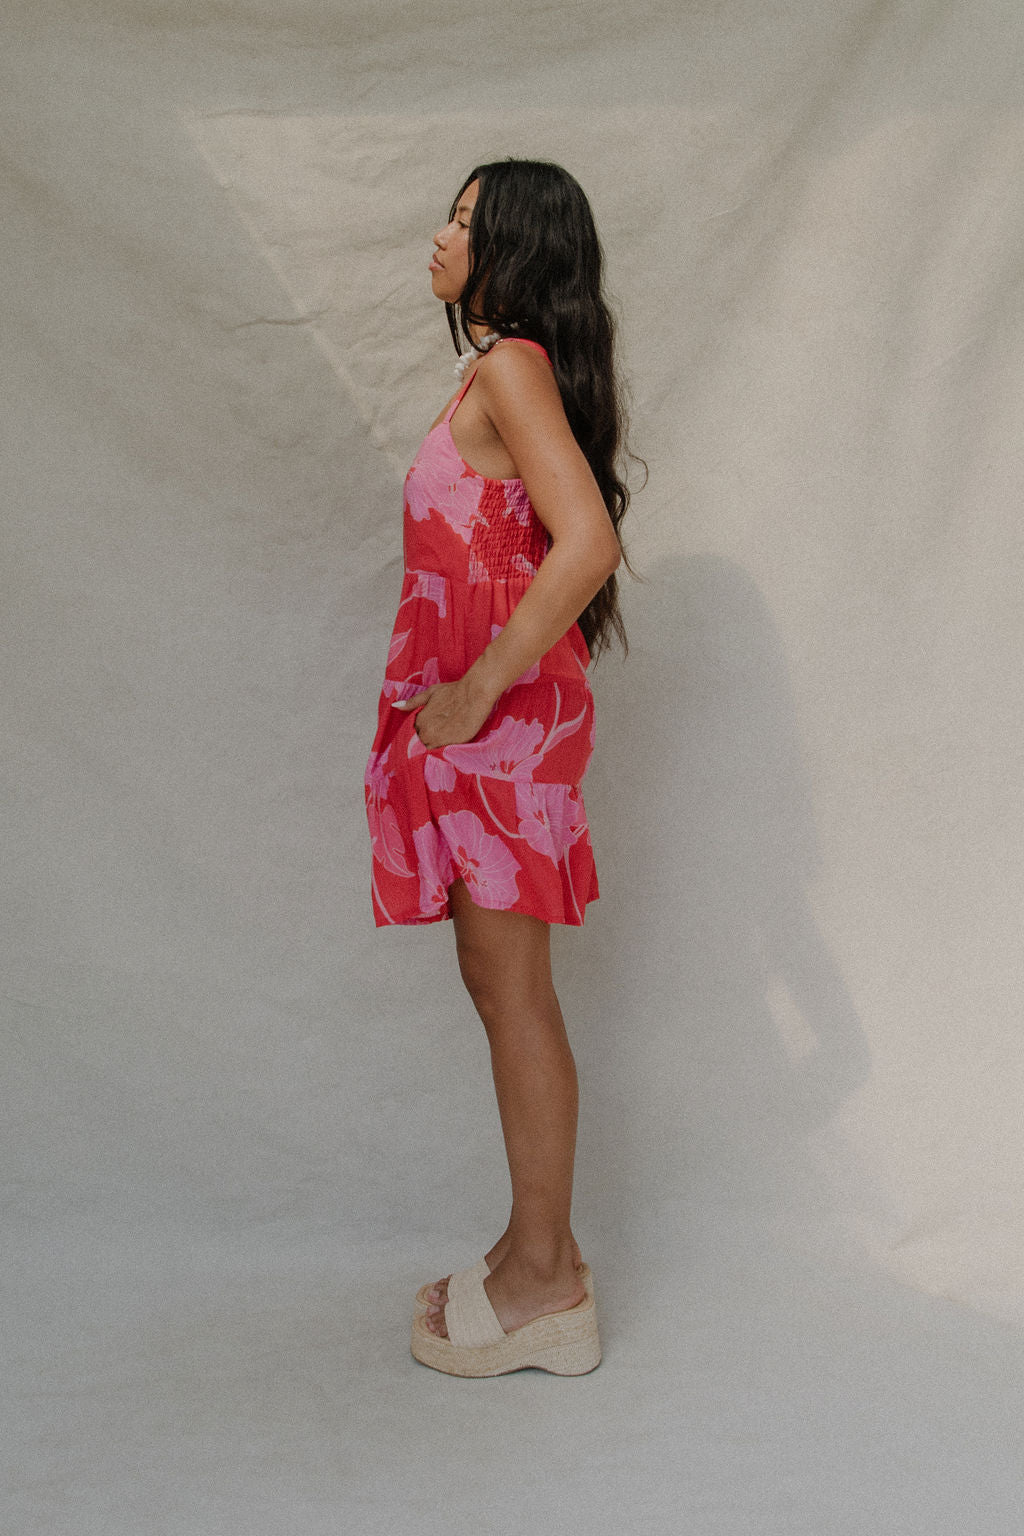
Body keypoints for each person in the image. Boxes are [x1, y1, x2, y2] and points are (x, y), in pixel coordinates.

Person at [363, 158, 634, 1377]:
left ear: (516, 248)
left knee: (513, 989)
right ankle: (538, 1256)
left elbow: (586, 545)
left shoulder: (509, 368)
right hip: (491, 737)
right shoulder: (500, 373)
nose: (442, 237)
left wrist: (474, 690)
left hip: (504, 733)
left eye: (467, 222)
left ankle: (545, 1286)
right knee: (499, 981)